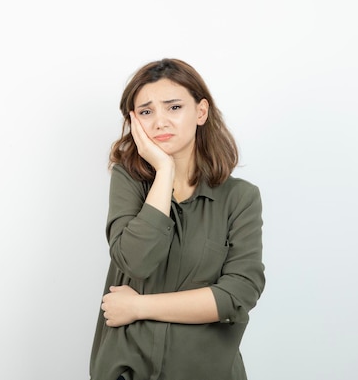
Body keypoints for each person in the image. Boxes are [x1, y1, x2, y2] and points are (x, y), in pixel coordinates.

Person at [89, 58, 265, 380]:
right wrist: (165, 171)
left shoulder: (240, 198)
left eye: (173, 108)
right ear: (134, 121)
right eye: (146, 112)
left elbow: (237, 296)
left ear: (201, 112)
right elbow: (135, 261)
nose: (159, 122)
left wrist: (138, 307)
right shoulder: (128, 181)